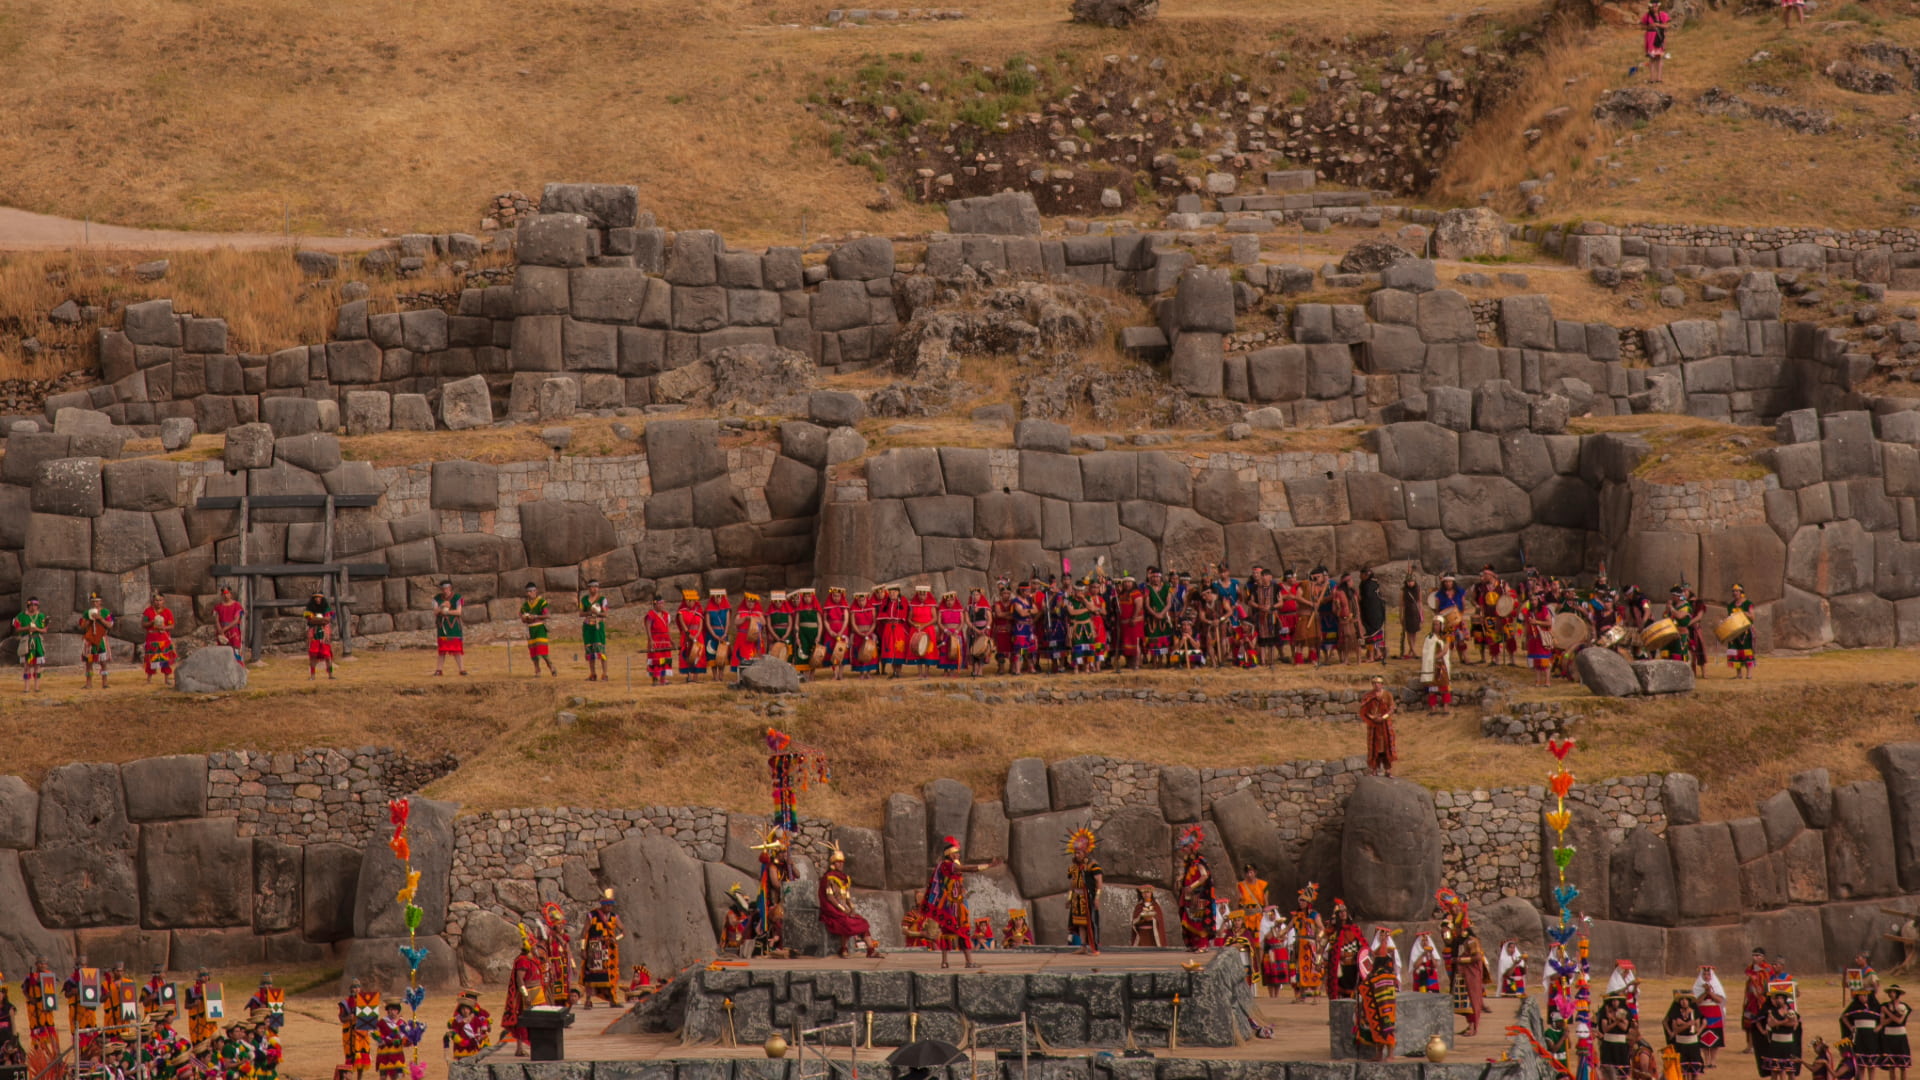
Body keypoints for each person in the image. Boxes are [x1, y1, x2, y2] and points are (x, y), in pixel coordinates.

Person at [920, 837, 996, 969]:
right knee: (963, 931)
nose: (958, 855)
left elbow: (953, 882)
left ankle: (944, 962)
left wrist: (961, 888)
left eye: (958, 853)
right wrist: (988, 866)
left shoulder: (943, 866)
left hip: (947, 906)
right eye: (955, 852)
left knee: (946, 933)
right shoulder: (950, 865)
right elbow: (969, 869)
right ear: (948, 854)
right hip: (955, 907)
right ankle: (969, 961)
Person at [818, 845, 883, 958]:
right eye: (838, 862)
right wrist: (844, 910)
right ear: (833, 864)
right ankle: (844, 949)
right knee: (846, 921)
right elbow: (830, 897)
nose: (841, 864)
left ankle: (871, 950)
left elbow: (847, 896)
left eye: (842, 862)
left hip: (844, 909)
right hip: (832, 909)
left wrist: (851, 908)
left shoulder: (844, 878)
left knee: (862, 922)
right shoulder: (829, 878)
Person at [504, 924, 545, 1055]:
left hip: (537, 991)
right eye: (533, 945)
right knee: (526, 1019)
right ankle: (520, 1048)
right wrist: (525, 994)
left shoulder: (532, 959)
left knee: (539, 1018)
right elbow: (519, 979)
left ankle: (535, 1044)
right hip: (529, 993)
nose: (535, 947)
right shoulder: (522, 960)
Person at [1355, 945, 1399, 1061]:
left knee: (1387, 1029)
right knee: (1377, 1030)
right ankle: (1379, 1054)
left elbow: (1384, 990)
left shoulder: (1383, 974)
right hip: (1375, 1006)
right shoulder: (1375, 974)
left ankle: (1390, 1055)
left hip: (1385, 1006)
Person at [1176, 825, 1216, 950]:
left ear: (1192, 848)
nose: (1184, 849)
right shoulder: (1189, 863)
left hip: (1199, 895)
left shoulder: (1200, 862)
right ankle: (1194, 944)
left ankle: (1203, 945)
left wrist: (1192, 886)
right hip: (1189, 896)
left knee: (1198, 920)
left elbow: (1204, 876)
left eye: (1186, 847)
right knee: (1189, 919)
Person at [580, 890, 623, 1008]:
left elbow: (623, 931)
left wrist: (616, 938)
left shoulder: (614, 917)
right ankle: (588, 1000)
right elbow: (584, 932)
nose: (609, 907)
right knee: (591, 975)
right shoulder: (592, 915)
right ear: (602, 905)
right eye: (607, 905)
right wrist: (583, 949)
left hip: (609, 951)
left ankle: (612, 999)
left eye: (611, 905)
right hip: (595, 949)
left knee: (610, 975)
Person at [1066, 829, 1104, 955]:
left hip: (1088, 897)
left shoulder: (1093, 865)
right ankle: (1083, 946)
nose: (1077, 855)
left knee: (1091, 922)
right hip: (1077, 898)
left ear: (1085, 852)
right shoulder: (1073, 868)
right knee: (1080, 923)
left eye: (1079, 852)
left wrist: (1097, 897)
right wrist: (1069, 898)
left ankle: (1095, 947)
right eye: (1075, 852)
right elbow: (1072, 883)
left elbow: (1099, 881)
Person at [21, 959, 59, 1077]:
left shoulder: (49, 975)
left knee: (52, 1038)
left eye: (45, 963)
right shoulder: (30, 977)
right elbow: (24, 989)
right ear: (36, 965)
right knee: (38, 1040)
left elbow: (54, 987)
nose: (43, 965)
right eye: (40, 963)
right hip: (35, 1014)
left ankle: (56, 1061)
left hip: (47, 1012)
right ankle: (40, 1064)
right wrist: (29, 998)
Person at [1290, 883, 1327, 1002]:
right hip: (1299, 946)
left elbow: (1322, 928)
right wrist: (1281, 934)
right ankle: (1301, 995)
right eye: (1300, 901)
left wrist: (1318, 937)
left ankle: (1316, 996)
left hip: (1311, 946)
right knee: (1299, 970)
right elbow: (1289, 927)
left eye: (1303, 901)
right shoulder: (1297, 915)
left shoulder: (1314, 914)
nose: (1301, 903)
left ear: (1308, 902)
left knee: (1313, 970)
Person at [337, 978, 378, 1080]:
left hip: (362, 1033)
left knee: (362, 1057)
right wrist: (348, 1018)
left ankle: (360, 1078)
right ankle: (348, 1077)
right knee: (351, 1057)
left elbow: (371, 1018)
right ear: (351, 989)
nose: (356, 989)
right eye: (354, 987)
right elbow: (341, 1018)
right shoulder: (345, 1003)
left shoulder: (366, 1001)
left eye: (358, 987)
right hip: (349, 1034)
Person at [1452, 932, 1492, 1037]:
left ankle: (1473, 1027)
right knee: (1466, 1006)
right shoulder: (1466, 954)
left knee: (1473, 1004)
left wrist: (1458, 960)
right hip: (1465, 983)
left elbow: (1473, 959)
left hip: (1473, 983)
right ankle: (1469, 1025)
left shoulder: (1477, 955)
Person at [1359, 676, 1397, 777]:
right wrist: (1373, 718)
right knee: (1373, 748)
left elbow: (1392, 708)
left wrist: (1383, 717)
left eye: (1378, 683)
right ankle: (1374, 770)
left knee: (1387, 747)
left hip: (1385, 725)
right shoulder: (1368, 696)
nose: (1376, 685)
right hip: (1374, 726)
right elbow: (1364, 710)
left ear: (1382, 684)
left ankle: (1388, 770)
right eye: (1374, 683)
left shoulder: (1387, 695)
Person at [1761, 991, 1803, 1080]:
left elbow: (1794, 1023)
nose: (1777, 1000)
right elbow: (1771, 1024)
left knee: (1790, 1070)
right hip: (1776, 1044)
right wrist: (1785, 1021)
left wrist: (1778, 1023)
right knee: (1774, 1070)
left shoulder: (1791, 1011)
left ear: (1784, 999)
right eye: (1776, 998)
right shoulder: (1772, 1011)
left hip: (1788, 1044)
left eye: (1779, 998)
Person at [519, 583, 558, 677]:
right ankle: (537, 670)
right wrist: (525, 618)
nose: (530, 593)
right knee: (533, 651)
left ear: (535, 591)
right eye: (528, 591)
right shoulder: (525, 605)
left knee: (542, 650)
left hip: (540, 628)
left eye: (531, 591)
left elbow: (547, 615)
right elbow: (522, 617)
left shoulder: (542, 602)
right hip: (531, 629)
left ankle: (551, 666)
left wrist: (536, 616)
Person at [1846, 985, 1883, 1080]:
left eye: (1865, 995)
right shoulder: (1854, 1006)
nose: (1863, 997)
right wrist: (1850, 1027)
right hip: (1859, 1037)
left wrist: (1880, 1026)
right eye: (1860, 995)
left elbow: (1882, 1018)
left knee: (1871, 1065)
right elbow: (1844, 1017)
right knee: (1861, 1065)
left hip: (1872, 1038)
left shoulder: (1874, 1006)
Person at [78, 591, 114, 689]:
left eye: (97, 601)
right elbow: (82, 626)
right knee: (89, 663)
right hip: (90, 640)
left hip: (101, 639)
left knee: (103, 662)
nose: (95, 603)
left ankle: (105, 683)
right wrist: (89, 620)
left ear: (100, 602)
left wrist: (101, 619)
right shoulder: (86, 613)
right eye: (93, 602)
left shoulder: (105, 612)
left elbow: (110, 625)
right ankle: (88, 683)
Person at [1694, 965, 1728, 1068]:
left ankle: (1713, 1061)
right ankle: (1706, 1060)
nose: (1706, 976)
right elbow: (1696, 1002)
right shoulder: (1697, 986)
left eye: (1708, 974)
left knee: (1715, 1036)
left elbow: (1720, 1000)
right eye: (1704, 974)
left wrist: (1710, 993)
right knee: (1704, 1036)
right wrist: (1705, 993)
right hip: (1703, 1012)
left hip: (1714, 1013)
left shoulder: (1717, 986)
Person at [11, 597, 47, 693]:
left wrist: (36, 629)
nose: (33, 607)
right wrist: (27, 628)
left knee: (37, 666)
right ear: (28, 605)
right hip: (26, 642)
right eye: (31, 605)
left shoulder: (41, 616)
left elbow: (44, 630)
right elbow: (17, 629)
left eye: (35, 605)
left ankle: (37, 687)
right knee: (27, 666)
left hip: (37, 642)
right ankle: (26, 688)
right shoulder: (21, 616)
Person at [432, 581, 467, 676]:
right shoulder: (437, 599)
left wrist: (447, 612)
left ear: (450, 588)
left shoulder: (457, 598)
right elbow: (435, 612)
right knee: (442, 650)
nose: (445, 591)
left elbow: (459, 612)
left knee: (457, 649)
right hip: (442, 628)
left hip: (454, 627)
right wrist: (442, 606)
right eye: (443, 589)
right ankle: (439, 669)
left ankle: (462, 669)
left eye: (446, 589)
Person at [443, 990, 491, 1061]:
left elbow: (484, 1030)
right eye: (463, 1009)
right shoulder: (457, 1020)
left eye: (467, 1009)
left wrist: (482, 1033)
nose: (465, 1011)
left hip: (474, 1048)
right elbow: (453, 1029)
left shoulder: (477, 1018)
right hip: (461, 1049)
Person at [1668, 992, 1706, 1080]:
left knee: (1694, 1070)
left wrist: (1682, 1024)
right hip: (1681, 1044)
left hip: (1693, 1044)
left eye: (1685, 1000)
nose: (1683, 1002)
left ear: (1689, 1001)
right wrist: (1688, 1024)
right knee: (1682, 1070)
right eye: (1681, 1000)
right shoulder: (1676, 1013)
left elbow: (1696, 1029)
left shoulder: (1694, 1013)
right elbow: (1676, 1030)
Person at [1422, 613, 1453, 714]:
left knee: (1445, 686)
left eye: (1437, 624)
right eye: (1434, 624)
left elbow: (1445, 651)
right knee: (1432, 688)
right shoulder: (1429, 637)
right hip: (1432, 666)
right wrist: (1430, 659)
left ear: (1441, 625)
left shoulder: (1446, 637)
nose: (1435, 626)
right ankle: (1433, 708)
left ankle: (1446, 707)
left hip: (1442, 665)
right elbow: (1425, 651)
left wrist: (1434, 658)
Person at [580, 580, 610, 682]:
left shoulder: (602, 599)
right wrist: (589, 612)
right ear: (589, 588)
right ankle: (593, 674)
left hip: (598, 626)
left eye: (596, 586)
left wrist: (597, 612)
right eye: (592, 587)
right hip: (588, 627)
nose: (594, 589)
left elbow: (605, 614)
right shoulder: (584, 600)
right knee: (590, 651)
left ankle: (605, 674)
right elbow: (580, 613)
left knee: (601, 650)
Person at [674, 590, 707, 682]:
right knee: (687, 653)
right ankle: (689, 675)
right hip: (687, 636)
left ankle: (696, 676)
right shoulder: (681, 612)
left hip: (697, 635)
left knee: (697, 654)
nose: (690, 602)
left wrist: (697, 635)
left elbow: (701, 624)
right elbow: (683, 625)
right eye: (688, 600)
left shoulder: (699, 611)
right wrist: (689, 635)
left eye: (691, 600)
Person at [1600, 994, 1635, 1080]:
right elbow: (1605, 1029)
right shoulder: (1605, 1014)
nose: (1615, 1002)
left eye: (1616, 1000)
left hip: (1620, 1046)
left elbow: (1624, 1027)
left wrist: (1614, 1019)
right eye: (1613, 1000)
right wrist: (1616, 1021)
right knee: (1609, 1071)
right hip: (1609, 1045)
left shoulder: (1624, 1013)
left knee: (1622, 1071)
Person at [1726, 584, 1756, 679]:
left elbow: (1752, 617)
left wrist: (1743, 613)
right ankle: (1739, 674)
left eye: (1737, 591)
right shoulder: (1730, 605)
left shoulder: (1748, 604)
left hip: (1745, 632)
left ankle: (1749, 674)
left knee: (1746, 651)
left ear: (1741, 592)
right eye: (1733, 591)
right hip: (1735, 632)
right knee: (1736, 651)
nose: (1735, 593)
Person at [182, 968, 217, 1050]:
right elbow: (186, 1006)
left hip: (209, 1019)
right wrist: (194, 1004)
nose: (205, 978)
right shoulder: (191, 991)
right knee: (199, 1042)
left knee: (212, 1041)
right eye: (203, 976)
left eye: (206, 975)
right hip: (197, 1020)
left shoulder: (213, 989)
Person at [643, 596, 674, 685]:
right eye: (660, 603)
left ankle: (663, 679)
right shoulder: (651, 615)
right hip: (655, 640)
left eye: (663, 603)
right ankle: (655, 679)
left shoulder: (666, 615)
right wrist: (651, 640)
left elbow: (668, 628)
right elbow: (648, 628)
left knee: (665, 659)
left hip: (665, 641)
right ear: (655, 604)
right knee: (655, 659)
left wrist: (671, 640)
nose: (662, 605)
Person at [373, 1002, 407, 1080]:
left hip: (397, 1054)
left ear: (398, 1011)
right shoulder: (381, 1023)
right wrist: (380, 1040)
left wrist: (407, 1041)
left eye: (394, 1010)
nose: (392, 1012)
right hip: (384, 1054)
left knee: (396, 1077)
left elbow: (404, 1038)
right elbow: (377, 1036)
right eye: (390, 1009)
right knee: (382, 1077)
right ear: (387, 1011)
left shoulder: (402, 1023)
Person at [305, 593, 336, 680]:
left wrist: (319, 620)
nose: (318, 599)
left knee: (327, 656)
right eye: (316, 598)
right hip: (314, 635)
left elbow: (331, 617)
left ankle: (331, 675)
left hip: (324, 635)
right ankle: (312, 676)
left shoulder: (327, 608)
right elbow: (310, 620)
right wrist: (323, 620)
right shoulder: (309, 609)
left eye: (319, 598)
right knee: (313, 655)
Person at [213, 586, 246, 665]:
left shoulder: (237, 606)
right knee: (222, 650)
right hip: (222, 632)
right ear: (221, 595)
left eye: (227, 593)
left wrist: (225, 629)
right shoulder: (218, 607)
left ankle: (238, 667)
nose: (226, 595)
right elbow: (216, 620)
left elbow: (236, 620)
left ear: (230, 594)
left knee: (235, 649)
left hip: (233, 631)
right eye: (224, 594)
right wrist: (220, 630)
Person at [1884, 986, 1911, 1080]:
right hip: (1888, 1036)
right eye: (1890, 992)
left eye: (1893, 992)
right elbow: (1882, 1022)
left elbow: (1900, 1021)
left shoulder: (1904, 1006)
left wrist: (1887, 1012)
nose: (1891, 994)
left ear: (1898, 993)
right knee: (1891, 1066)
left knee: (1903, 1065)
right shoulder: (1884, 1005)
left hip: (1900, 1036)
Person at [1641, 0, 1670, 84]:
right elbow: (1642, 26)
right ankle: (1652, 79)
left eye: (1656, 6)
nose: (1655, 8)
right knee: (1652, 58)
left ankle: (1659, 78)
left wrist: (1658, 25)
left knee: (1659, 58)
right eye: (1653, 7)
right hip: (1650, 38)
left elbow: (1667, 25)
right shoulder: (1647, 16)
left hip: (1660, 37)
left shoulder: (1663, 15)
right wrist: (1650, 26)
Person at [1400, 569, 1423, 659]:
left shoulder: (1418, 589)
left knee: (1414, 632)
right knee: (1409, 632)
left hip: (1416, 612)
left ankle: (1411, 650)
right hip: (1407, 612)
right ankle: (1413, 650)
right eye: (1408, 581)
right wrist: (1400, 616)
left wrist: (1421, 615)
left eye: (1411, 581)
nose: (1410, 583)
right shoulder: (1403, 590)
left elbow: (1420, 602)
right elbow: (1401, 604)